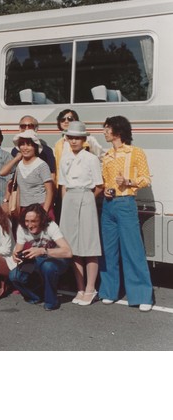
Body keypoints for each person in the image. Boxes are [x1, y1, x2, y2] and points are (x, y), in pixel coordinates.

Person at [99, 116, 154, 312]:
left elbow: (146, 179)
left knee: (133, 250)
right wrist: (106, 189)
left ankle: (142, 295)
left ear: (118, 131)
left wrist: (128, 182)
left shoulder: (135, 152)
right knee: (108, 250)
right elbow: (105, 181)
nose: (104, 132)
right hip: (108, 205)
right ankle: (109, 291)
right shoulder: (106, 155)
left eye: (107, 128)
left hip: (126, 203)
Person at [58, 121, 103, 306]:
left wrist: (88, 199)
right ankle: (80, 288)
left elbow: (99, 185)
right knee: (73, 247)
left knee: (89, 245)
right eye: (71, 137)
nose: (74, 141)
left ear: (84, 139)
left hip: (86, 198)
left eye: (78, 138)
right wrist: (66, 202)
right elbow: (62, 185)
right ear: (66, 139)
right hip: (69, 199)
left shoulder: (91, 159)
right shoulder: (64, 158)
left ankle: (91, 289)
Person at [9, 204, 73, 311]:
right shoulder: (22, 227)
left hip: (56, 259)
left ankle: (51, 302)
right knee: (14, 276)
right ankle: (36, 297)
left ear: (41, 220)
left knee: (48, 266)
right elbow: (18, 250)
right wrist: (16, 255)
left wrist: (43, 251)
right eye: (27, 221)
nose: (29, 225)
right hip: (37, 259)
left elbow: (68, 252)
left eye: (33, 221)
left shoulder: (50, 226)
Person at [8, 130, 55, 219]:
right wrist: (16, 158)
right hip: (23, 209)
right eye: (22, 144)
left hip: (40, 207)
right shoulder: (19, 164)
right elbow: (2, 172)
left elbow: (49, 191)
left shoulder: (42, 165)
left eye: (29, 144)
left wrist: (44, 212)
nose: (25, 148)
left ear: (35, 147)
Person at [0, 115, 56, 182]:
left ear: (36, 129)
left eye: (30, 126)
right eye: (23, 126)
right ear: (20, 129)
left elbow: (52, 174)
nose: (27, 129)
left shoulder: (46, 151)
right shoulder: (15, 150)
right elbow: (8, 173)